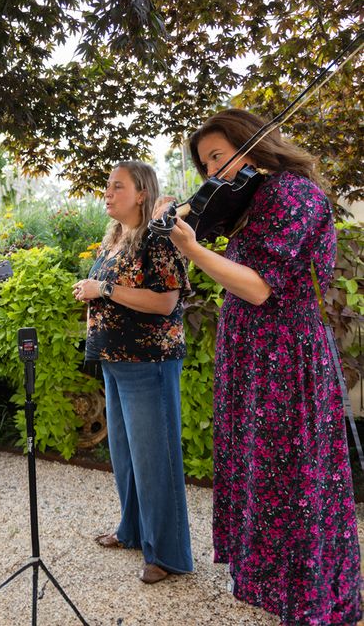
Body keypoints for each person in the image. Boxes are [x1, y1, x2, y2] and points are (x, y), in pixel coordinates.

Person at [157, 107, 362, 624]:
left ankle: (320, 603)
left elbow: (258, 284)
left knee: (293, 479)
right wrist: (179, 222)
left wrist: (194, 246)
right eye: (205, 166)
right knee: (265, 475)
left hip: (284, 355)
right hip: (254, 354)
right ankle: (283, 593)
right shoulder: (254, 201)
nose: (212, 175)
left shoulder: (294, 193)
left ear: (253, 145)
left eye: (218, 158)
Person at [73, 160, 193, 584]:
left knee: (154, 460)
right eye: (106, 186)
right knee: (126, 457)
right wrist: (93, 294)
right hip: (116, 363)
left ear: (141, 193)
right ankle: (132, 532)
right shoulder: (115, 239)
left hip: (149, 363)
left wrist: (103, 289)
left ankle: (168, 555)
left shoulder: (157, 239)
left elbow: (165, 302)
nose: (107, 192)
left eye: (116, 186)